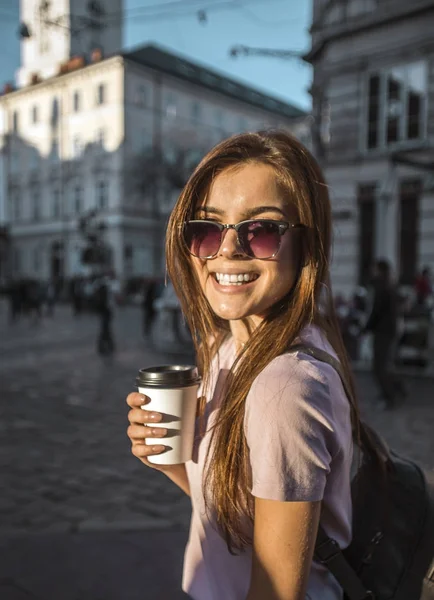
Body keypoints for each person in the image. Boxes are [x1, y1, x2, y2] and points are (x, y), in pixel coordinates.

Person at [126, 131, 380, 600]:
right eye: (206, 229)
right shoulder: (231, 347)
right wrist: (174, 463)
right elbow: (240, 518)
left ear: (306, 245)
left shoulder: (284, 387)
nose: (227, 250)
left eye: (261, 230)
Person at [364, 259, 406, 409]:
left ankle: (390, 397)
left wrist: (366, 328)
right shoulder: (390, 284)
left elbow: (377, 310)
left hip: (383, 331)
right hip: (389, 330)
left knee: (380, 366)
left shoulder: (380, 286)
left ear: (378, 269)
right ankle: (396, 391)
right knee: (385, 364)